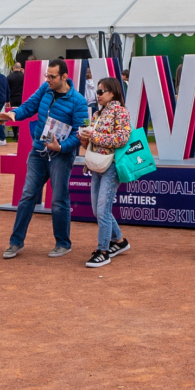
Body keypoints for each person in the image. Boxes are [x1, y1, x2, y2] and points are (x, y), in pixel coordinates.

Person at [3, 59, 89, 259]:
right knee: (27, 196)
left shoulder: (78, 101)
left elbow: (81, 133)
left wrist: (62, 147)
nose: (48, 79)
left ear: (64, 77)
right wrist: (13, 115)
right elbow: (29, 106)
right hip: (38, 152)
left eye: (52, 77)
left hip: (61, 156)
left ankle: (63, 243)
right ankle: (15, 242)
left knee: (59, 200)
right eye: (47, 76)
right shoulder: (45, 89)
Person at [79, 76, 132, 268]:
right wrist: (84, 137)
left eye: (101, 91)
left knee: (102, 209)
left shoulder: (121, 112)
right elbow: (92, 143)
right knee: (97, 209)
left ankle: (103, 250)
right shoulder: (97, 114)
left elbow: (122, 138)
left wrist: (93, 135)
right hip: (96, 165)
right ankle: (118, 240)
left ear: (113, 93)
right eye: (97, 92)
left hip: (111, 166)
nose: (98, 95)